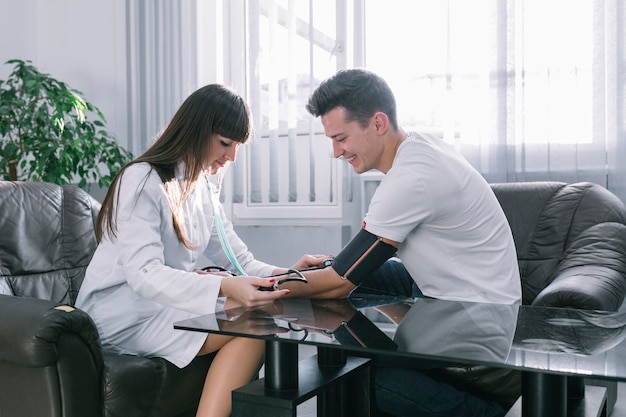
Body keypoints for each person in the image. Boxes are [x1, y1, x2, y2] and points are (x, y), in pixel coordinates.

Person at [275, 68, 523, 416]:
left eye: (341, 138)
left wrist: (267, 287)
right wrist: (292, 279)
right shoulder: (419, 148)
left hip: (475, 310)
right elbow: (347, 269)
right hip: (446, 285)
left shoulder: (411, 177)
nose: (335, 152)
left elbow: (340, 281)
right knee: (332, 272)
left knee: (358, 376)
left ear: (378, 123)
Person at [75, 84, 325, 417]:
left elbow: (241, 262)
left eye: (236, 146)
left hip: (161, 308)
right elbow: (144, 275)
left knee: (257, 322)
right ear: (195, 131)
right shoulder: (141, 179)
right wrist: (224, 285)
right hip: (122, 316)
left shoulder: (201, 188)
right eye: (225, 143)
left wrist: (287, 274)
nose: (231, 156)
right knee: (254, 322)